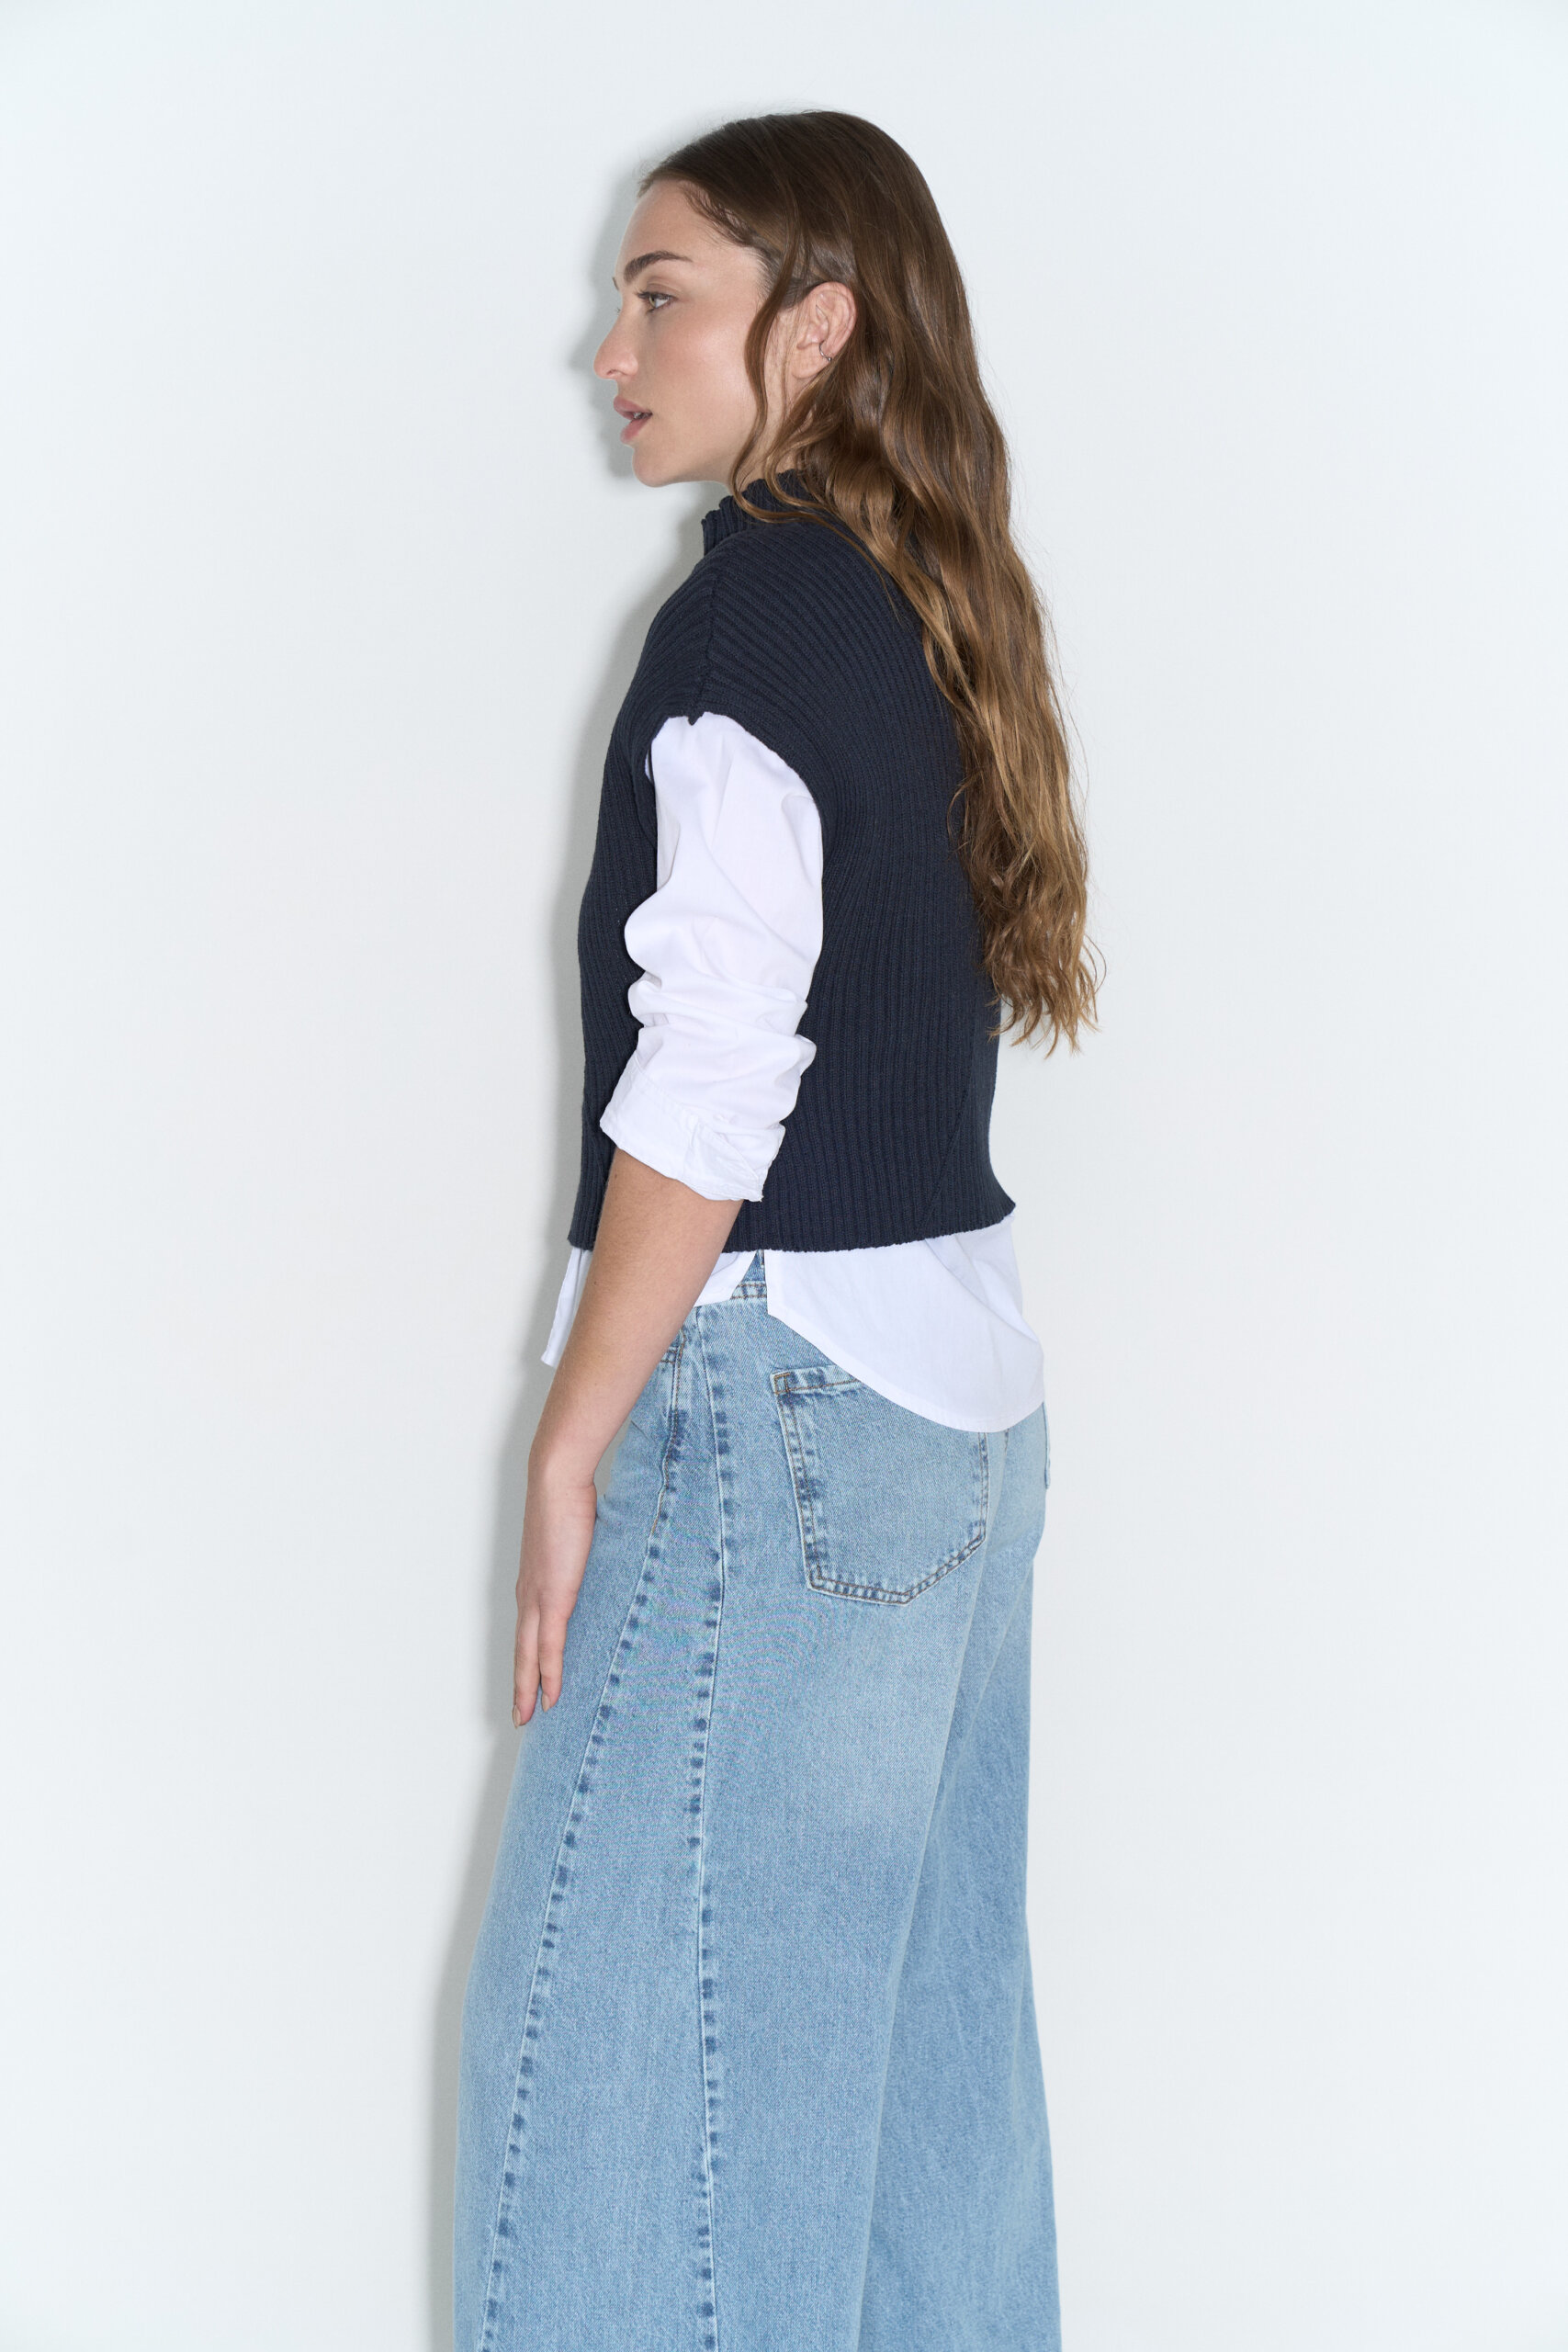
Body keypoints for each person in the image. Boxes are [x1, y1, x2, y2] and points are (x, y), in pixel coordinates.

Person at [455, 108, 1096, 2352]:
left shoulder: (748, 617)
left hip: (773, 1425)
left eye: (661, 297)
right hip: (957, 1431)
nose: (610, 348)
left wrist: (570, 1435)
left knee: (623, 2130)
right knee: (918, 2125)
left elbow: (713, 1080)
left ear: (810, 332)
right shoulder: (926, 615)